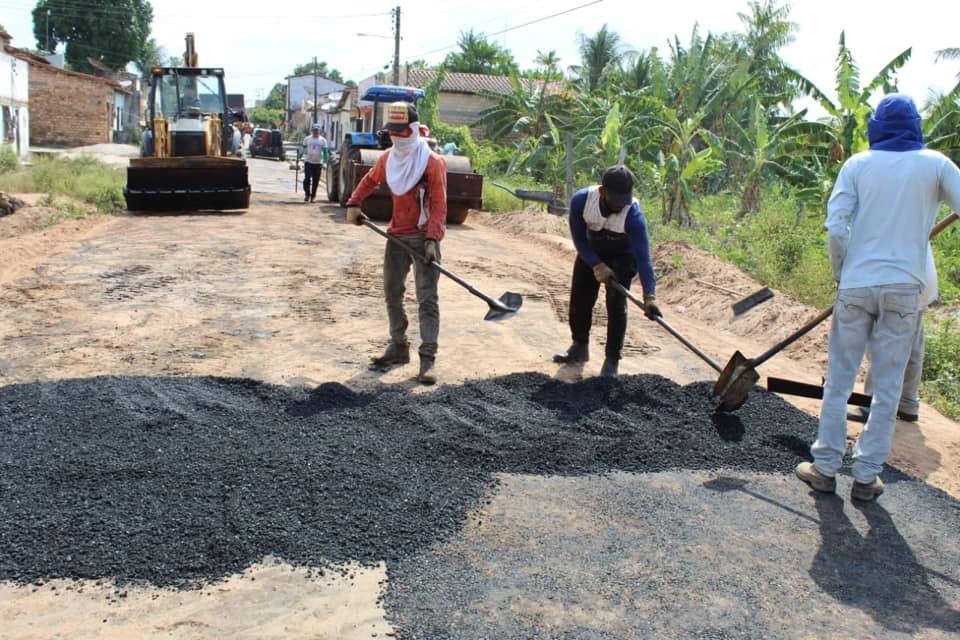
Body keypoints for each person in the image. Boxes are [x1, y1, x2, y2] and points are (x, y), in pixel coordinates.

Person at [796, 94, 960, 501]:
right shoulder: (937, 164)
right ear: (916, 126)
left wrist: (842, 272)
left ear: (876, 127)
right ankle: (866, 476)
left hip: (856, 285)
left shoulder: (858, 165)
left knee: (838, 380)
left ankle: (825, 466)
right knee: (887, 388)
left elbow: (837, 228)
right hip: (905, 287)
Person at [344, 101, 447, 384]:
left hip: (424, 237)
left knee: (427, 298)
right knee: (392, 292)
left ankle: (428, 359)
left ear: (413, 130)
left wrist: (432, 239)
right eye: (393, 132)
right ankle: (398, 346)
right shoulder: (388, 158)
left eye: (401, 132)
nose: (396, 136)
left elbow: (438, 204)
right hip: (396, 236)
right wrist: (354, 202)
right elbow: (369, 179)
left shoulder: (432, 162)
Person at [552, 165, 660, 378]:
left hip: (623, 255)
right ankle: (579, 346)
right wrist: (596, 264)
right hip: (591, 251)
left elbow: (643, 257)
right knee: (580, 299)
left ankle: (612, 360)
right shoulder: (581, 201)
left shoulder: (633, 215)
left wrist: (650, 296)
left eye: (624, 201)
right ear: (603, 192)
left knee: (616, 304)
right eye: (616, 200)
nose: (620, 206)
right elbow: (579, 239)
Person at [856, 245, 938, 423]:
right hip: (923, 282)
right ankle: (907, 403)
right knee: (913, 345)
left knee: (882, 344)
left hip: (900, 283)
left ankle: (872, 403)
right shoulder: (913, 219)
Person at [301, 123, 328, 202]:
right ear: (311, 130)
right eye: (314, 130)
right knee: (307, 179)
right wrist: (299, 155)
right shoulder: (307, 139)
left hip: (318, 163)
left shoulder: (323, 140)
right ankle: (307, 194)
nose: (316, 131)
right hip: (308, 162)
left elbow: (325, 151)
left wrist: (326, 160)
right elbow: (303, 148)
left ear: (320, 131)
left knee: (315, 181)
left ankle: (313, 196)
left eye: (317, 130)